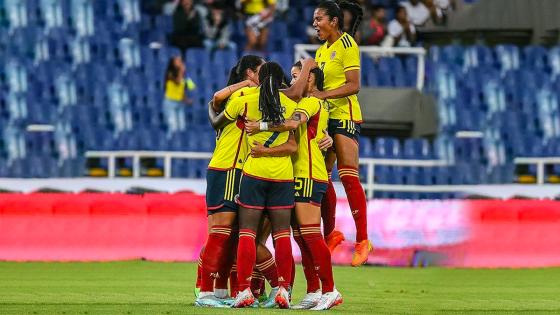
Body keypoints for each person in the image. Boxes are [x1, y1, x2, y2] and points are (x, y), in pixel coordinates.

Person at [246, 61, 341, 310]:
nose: (292, 81)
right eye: (291, 76)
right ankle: (312, 291)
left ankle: (330, 289)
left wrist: (260, 126)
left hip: (310, 175)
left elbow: (290, 124)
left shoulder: (310, 102)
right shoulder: (304, 104)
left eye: (298, 76)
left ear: (311, 79)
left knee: (310, 235)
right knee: (301, 237)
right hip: (298, 176)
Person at [208, 62, 296, 308]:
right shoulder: (289, 105)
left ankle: (244, 289)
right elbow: (293, 144)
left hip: (253, 173)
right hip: (282, 176)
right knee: (282, 236)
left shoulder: (245, 100)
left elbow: (217, 120)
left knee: (246, 233)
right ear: (280, 82)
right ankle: (283, 289)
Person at [194, 55, 264, 307]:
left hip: (228, 168)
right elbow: (216, 99)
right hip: (229, 168)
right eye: (261, 72)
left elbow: (215, 103)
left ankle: (221, 290)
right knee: (222, 233)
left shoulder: (241, 98)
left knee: (227, 234)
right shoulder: (242, 98)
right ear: (250, 74)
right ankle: (204, 291)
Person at [311, 0, 373, 266]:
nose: (315, 24)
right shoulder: (321, 51)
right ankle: (332, 233)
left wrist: (323, 94)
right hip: (326, 118)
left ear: (334, 21)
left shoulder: (347, 45)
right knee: (321, 179)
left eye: (319, 19)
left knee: (348, 176)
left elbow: (354, 85)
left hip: (345, 116)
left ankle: (363, 240)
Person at [163, 55, 195, 135]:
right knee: (172, 126)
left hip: (179, 103)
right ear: (173, 63)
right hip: (170, 103)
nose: (180, 62)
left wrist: (186, 100)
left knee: (181, 127)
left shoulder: (182, 77)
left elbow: (181, 91)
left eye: (180, 61)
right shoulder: (169, 73)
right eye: (178, 61)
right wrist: (182, 70)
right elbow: (177, 82)